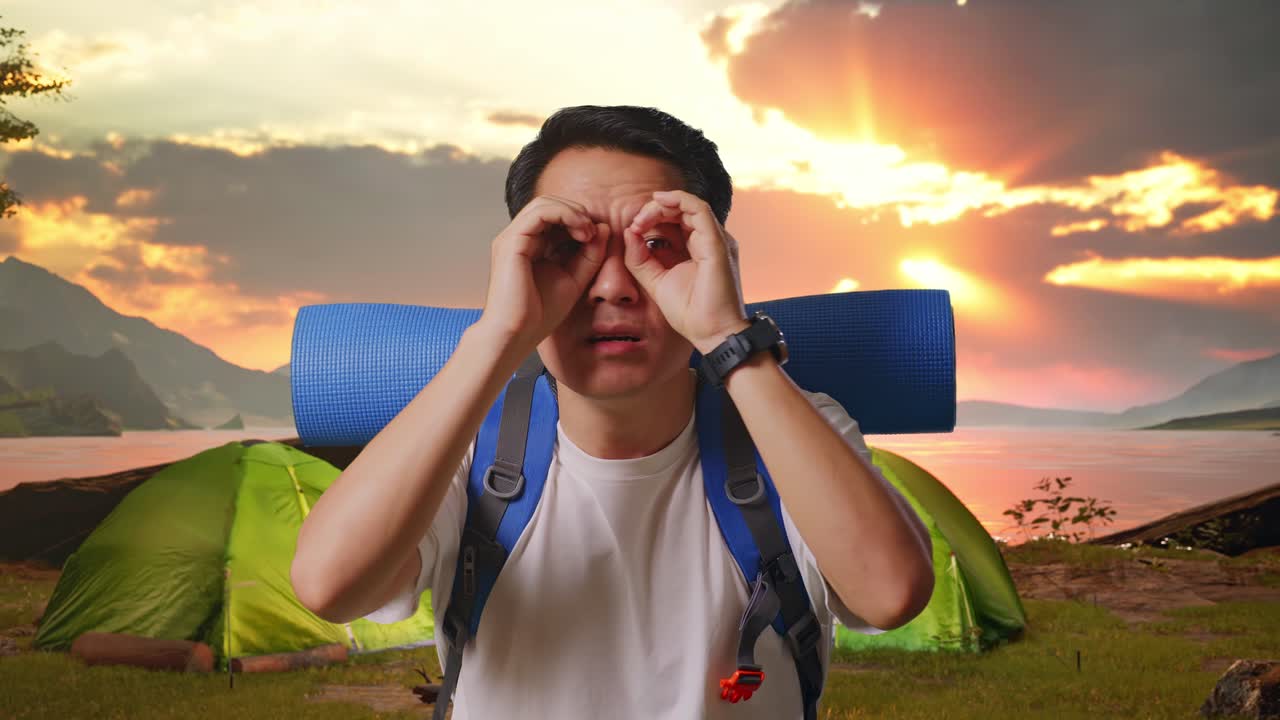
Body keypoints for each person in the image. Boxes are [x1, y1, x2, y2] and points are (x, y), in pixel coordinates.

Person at [291, 105, 934, 719]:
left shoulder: (790, 425)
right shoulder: (468, 439)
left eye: (657, 243)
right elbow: (329, 587)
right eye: (566, 247)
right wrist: (499, 335)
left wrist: (726, 334)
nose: (612, 286)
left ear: (714, 258)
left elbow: (890, 595)